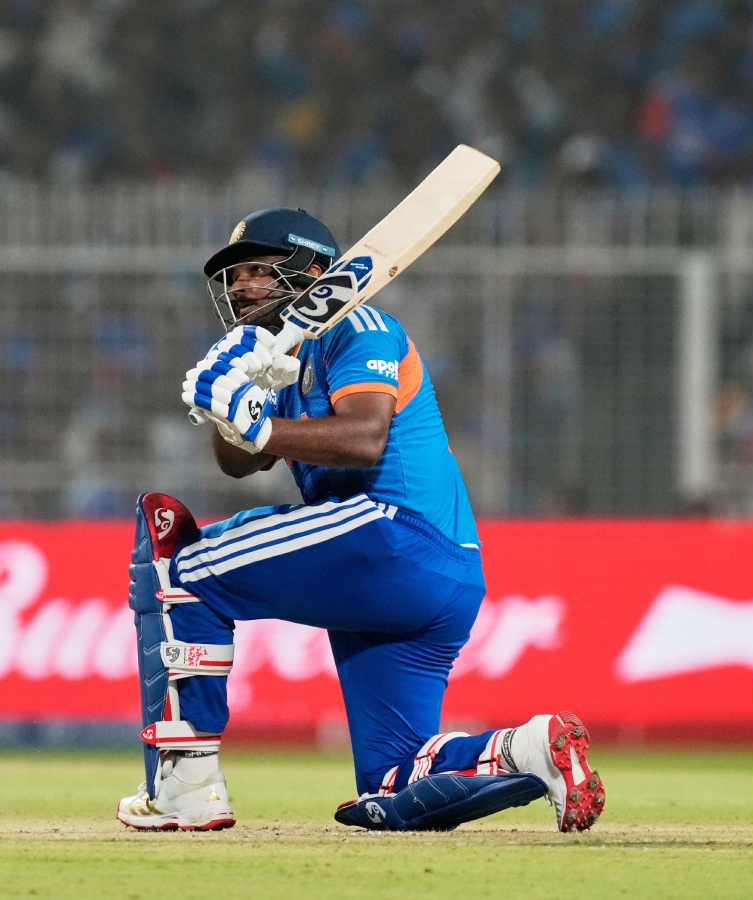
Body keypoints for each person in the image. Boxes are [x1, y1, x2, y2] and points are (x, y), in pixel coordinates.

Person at [117, 207, 605, 833]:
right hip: (423, 576)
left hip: (397, 535)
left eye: (259, 270)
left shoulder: (361, 326)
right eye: (234, 277)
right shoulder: (277, 358)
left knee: (180, 568)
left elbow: (365, 437)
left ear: (316, 274)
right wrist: (231, 397)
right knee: (394, 777)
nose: (240, 287)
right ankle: (534, 750)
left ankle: (185, 787)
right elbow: (237, 463)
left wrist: (259, 419)